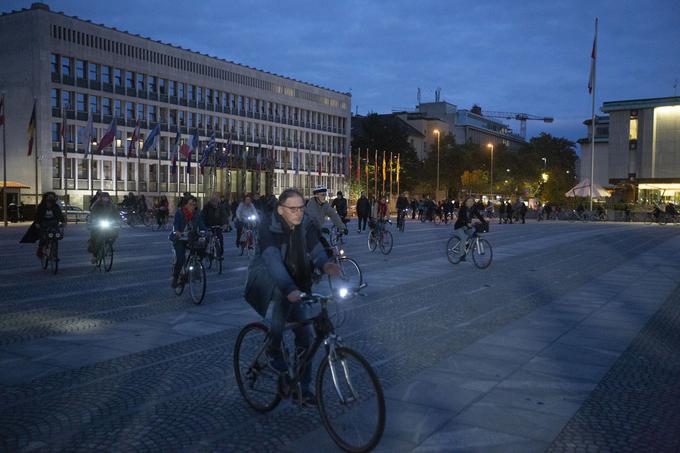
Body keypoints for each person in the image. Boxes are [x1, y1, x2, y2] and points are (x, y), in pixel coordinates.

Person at [244, 188, 341, 405]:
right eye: (293, 209)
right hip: (268, 280)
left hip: (296, 280)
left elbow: (315, 248)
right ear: (280, 210)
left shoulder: (304, 224)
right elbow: (272, 261)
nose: (298, 213)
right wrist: (289, 289)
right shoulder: (269, 227)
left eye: (301, 208)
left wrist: (325, 264)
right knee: (281, 301)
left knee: (305, 336)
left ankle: (302, 388)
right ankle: (272, 348)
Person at [171, 195, 206, 288]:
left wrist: (206, 232)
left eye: (194, 205)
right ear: (185, 205)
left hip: (191, 239)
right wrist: (177, 232)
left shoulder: (196, 215)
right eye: (190, 204)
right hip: (179, 239)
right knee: (181, 258)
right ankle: (175, 278)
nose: (192, 207)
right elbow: (175, 225)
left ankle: (193, 271)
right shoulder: (179, 213)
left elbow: (202, 226)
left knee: (201, 250)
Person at [22, 192, 66, 257]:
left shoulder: (56, 206)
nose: (50, 199)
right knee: (44, 237)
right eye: (49, 197)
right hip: (44, 223)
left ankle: (54, 252)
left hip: (53, 223)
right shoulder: (41, 206)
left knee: (57, 235)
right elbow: (37, 215)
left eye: (52, 197)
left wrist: (63, 222)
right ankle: (40, 249)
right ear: (46, 198)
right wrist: (37, 223)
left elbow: (60, 215)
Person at [87, 192, 119, 263]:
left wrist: (117, 220)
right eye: (104, 197)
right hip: (98, 223)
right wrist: (94, 220)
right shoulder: (96, 205)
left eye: (107, 197)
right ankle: (95, 255)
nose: (105, 199)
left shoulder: (111, 205)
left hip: (108, 223)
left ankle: (108, 247)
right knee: (96, 237)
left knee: (114, 234)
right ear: (101, 198)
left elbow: (116, 213)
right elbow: (93, 213)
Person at [453, 196, 487, 261]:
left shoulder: (473, 208)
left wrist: (484, 222)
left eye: (472, 201)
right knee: (464, 237)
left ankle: (467, 244)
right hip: (459, 226)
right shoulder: (463, 208)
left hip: (467, 226)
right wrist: (467, 222)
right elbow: (462, 217)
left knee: (474, 232)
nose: (470, 203)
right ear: (465, 202)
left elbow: (478, 215)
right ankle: (461, 255)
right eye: (469, 201)